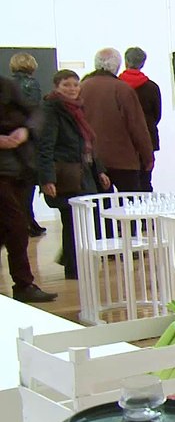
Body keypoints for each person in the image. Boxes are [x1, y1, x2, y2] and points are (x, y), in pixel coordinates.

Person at [37, 70, 111, 281]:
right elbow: (45, 146)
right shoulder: (51, 110)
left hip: (85, 172)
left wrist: (100, 170)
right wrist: (47, 178)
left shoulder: (78, 109)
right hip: (68, 174)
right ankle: (74, 267)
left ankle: (77, 263)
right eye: (66, 85)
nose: (72, 89)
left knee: (85, 219)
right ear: (56, 87)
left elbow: (88, 143)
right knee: (72, 220)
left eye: (75, 85)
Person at [0, 77, 55, 303]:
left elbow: (35, 113)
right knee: (16, 226)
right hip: (5, 172)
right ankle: (23, 284)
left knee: (12, 228)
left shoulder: (6, 86)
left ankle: (23, 285)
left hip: (19, 170)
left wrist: (25, 130)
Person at [79, 48, 153, 192]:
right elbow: (137, 126)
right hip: (123, 160)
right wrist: (147, 156)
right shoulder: (123, 89)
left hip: (93, 159)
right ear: (118, 65)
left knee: (100, 206)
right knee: (130, 206)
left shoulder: (82, 87)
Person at [9, 53, 45, 237]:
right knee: (27, 184)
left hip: (9, 139)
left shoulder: (7, 85)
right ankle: (28, 222)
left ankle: (26, 221)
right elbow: (35, 111)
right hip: (28, 141)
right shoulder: (32, 84)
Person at [120, 47, 162, 191]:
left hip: (123, 139)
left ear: (125, 62)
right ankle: (145, 213)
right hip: (147, 138)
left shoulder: (118, 86)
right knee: (145, 181)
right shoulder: (152, 87)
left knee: (125, 184)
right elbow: (157, 115)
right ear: (143, 63)